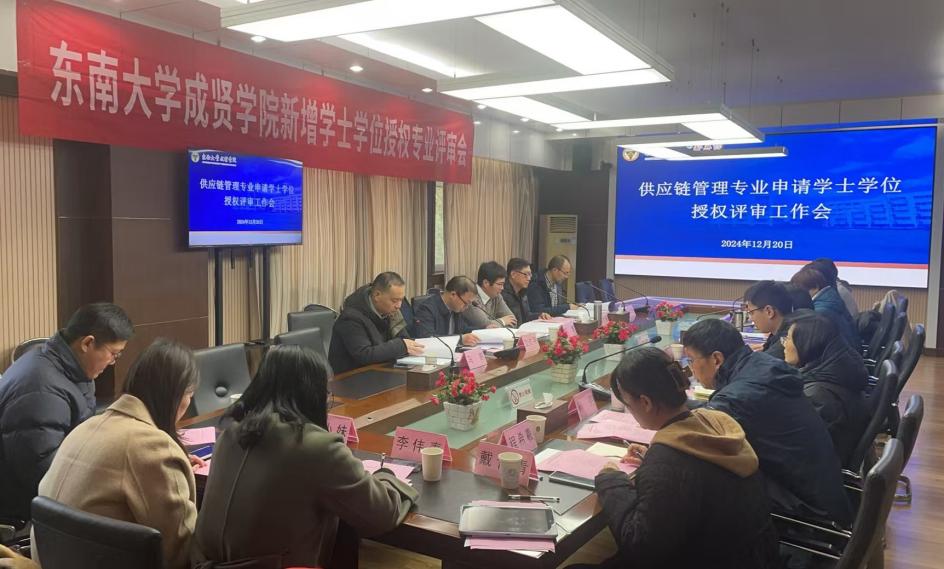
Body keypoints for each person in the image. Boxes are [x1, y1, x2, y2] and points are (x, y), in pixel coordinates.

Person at [192, 345, 418, 569]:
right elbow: (381, 513)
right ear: (313, 394)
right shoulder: (317, 447)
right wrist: (386, 475)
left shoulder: (230, 433)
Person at [570, 347, 778, 569]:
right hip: (753, 555)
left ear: (646, 403)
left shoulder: (668, 462)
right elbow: (698, 475)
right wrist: (652, 464)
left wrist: (611, 480)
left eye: (628, 405)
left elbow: (641, 547)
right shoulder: (714, 423)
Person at [34, 339, 200, 569]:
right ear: (178, 395)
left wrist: (174, 473)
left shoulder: (87, 427)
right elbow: (181, 552)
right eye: (190, 394)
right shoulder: (153, 449)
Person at [682, 319, 852, 526]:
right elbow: (719, 409)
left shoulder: (740, 395)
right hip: (822, 494)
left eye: (691, 360)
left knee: (697, 485)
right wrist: (678, 404)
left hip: (807, 515)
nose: (690, 369)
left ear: (716, 359)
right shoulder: (761, 365)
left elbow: (698, 435)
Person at [0, 303, 134, 521]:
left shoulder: (71, 368)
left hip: (52, 485)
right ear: (87, 343)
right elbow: (41, 470)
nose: (112, 362)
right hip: (25, 504)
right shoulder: (42, 388)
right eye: (113, 354)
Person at [784, 315, 869, 467]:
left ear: (806, 344)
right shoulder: (838, 371)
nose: (784, 344)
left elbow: (804, 450)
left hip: (819, 471)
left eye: (788, 338)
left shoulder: (818, 396)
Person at [328, 271, 424, 374]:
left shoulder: (390, 311)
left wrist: (405, 345)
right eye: (394, 300)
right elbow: (365, 355)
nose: (399, 306)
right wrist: (401, 346)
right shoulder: (351, 318)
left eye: (401, 300)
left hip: (382, 371)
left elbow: (404, 340)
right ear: (377, 295)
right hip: (353, 377)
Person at [791, 267, 860, 349]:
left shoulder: (821, 311)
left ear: (816, 287)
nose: (799, 293)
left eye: (801, 290)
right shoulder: (831, 298)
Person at [743, 280, 814, 359]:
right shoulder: (788, 328)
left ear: (769, 311)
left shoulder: (786, 344)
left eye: (751, 312)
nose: (750, 318)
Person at [414, 276, 481, 346]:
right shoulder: (426, 309)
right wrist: (459, 339)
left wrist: (483, 332)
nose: (467, 307)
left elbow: (464, 329)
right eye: (466, 303)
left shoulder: (455, 309)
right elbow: (428, 339)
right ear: (453, 295)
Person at [461, 261, 517, 330]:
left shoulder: (497, 296)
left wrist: (495, 324)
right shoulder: (471, 298)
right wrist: (503, 321)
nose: (502, 288)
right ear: (486, 283)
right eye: (499, 284)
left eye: (503, 284)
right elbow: (485, 325)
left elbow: (513, 321)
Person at [502, 258, 550, 324]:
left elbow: (526, 316)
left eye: (530, 274)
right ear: (513, 274)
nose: (529, 278)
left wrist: (539, 315)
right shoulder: (502, 293)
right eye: (526, 274)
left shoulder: (523, 291)